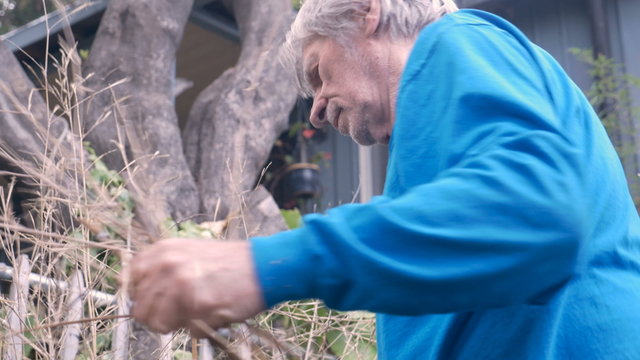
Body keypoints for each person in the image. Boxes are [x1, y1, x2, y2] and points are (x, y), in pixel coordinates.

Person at [129, 0, 640, 358]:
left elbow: (541, 210)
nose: (318, 112)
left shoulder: (455, 44)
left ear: (363, 11)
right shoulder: (427, 157)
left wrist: (265, 264)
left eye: (318, 73)